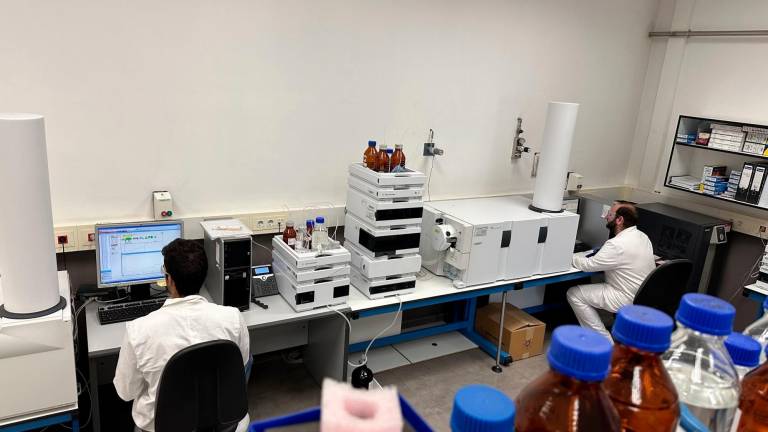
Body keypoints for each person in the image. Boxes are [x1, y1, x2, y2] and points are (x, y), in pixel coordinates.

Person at [114, 239, 251, 432]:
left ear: (168, 279)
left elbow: (125, 392)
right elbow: (240, 365)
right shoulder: (233, 318)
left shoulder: (138, 331)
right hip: (221, 423)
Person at [567, 201, 656, 341]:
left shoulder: (616, 244)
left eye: (610, 214)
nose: (605, 217)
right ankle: (605, 324)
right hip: (643, 296)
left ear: (619, 220)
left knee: (574, 294)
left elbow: (589, 265)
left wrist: (569, 256)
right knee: (598, 281)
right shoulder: (642, 236)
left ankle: (603, 341)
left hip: (626, 297)